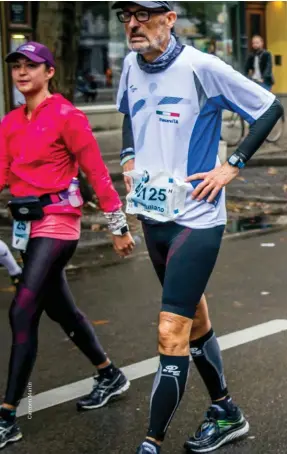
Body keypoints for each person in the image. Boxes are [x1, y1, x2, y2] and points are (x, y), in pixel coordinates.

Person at [111, 2, 283, 453]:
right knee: (194, 317)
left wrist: (232, 166)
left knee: (171, 329)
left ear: (170, 18)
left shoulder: (201, 67)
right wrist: (129, 157)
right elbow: (129, 114)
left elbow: (268, 108)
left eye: (143, 15)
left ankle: (151, 442)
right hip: (153, 217)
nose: (133, 24)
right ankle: (226, 411)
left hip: (197, 217)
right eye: (125, 16)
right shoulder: (130, 64)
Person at [0, 42, 135, 450]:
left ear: (49, 72)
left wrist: (118, 226)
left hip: (59, 224)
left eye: (31, 66)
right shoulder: (9, 122)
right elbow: (3, 173)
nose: (22, 72)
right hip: (27, 225)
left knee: (22, 309)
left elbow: (96, 172)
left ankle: (7, 416)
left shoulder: (67, 116)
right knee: (60, 308)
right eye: (16, 66)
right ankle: (109, 373)